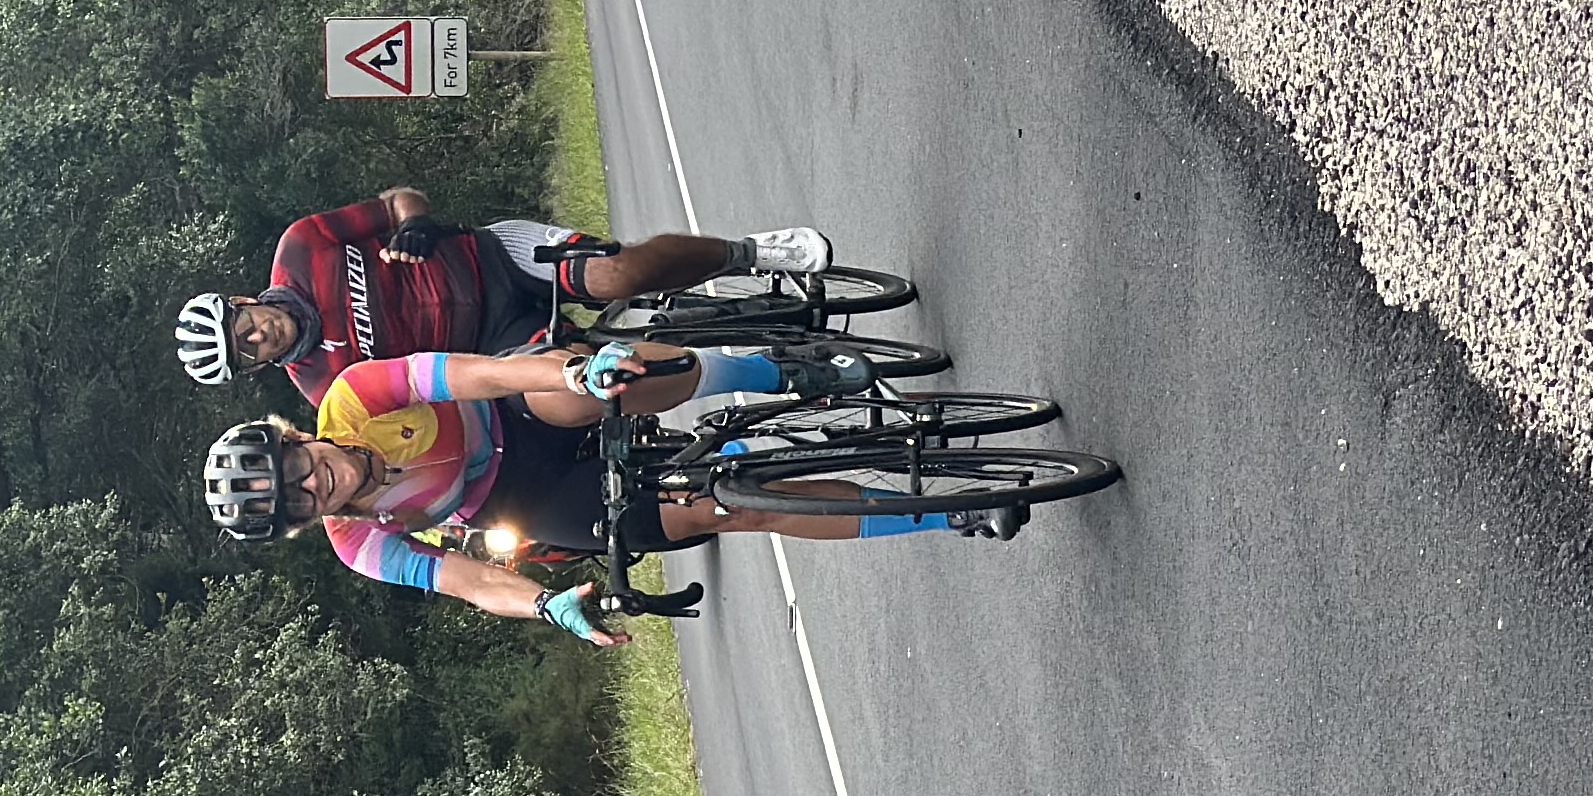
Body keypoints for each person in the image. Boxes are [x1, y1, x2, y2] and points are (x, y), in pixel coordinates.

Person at [201, 339, 991, 642]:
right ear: (304, 524)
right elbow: (468, 580)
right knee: (738, 508)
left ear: (294, 435)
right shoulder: (358, 542)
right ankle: (943, 511)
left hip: (516, 409)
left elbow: (477, 374)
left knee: (619, 379)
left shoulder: (353, 396)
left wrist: (574, 371)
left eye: (294, 469)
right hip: (525, 497)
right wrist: (546, 605)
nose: (314, 485)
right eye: (297, 503)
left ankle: (779, 370)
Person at [173, 187, 840, 404]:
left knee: (618, 276)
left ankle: (753, 252)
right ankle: (766, 375)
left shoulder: (300, 249)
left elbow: (397, 198)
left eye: (244, 327)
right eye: (248, 352)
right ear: (255, 367)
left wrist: (414, 223)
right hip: (497, 343)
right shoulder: (325, 385)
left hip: (496, 259)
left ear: (240, 300)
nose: (258, 336)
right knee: (595, 387)